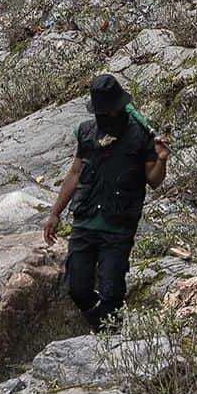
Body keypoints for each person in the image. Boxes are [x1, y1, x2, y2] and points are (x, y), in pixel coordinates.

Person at [42, 72, 170, 330]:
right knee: (77, 287)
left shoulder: (140, 136)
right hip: (86, 219)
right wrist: (55, 212)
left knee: (112, 292)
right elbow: (75, 173)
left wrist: (162, 160)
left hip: (119, 225)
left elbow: (153, 181)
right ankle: (102, 328)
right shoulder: (87, 133)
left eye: (111, 111)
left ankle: (112, 339)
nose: (108, 116)